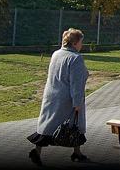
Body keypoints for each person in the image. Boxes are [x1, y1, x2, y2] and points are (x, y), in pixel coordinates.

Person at [27, 28, 90, 166]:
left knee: (47, 125)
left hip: (51, 95)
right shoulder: (76, 58)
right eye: (81, 42)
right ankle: (76, 153)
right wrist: (77, 102)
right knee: (74, 126)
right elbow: (76, 83)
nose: (81, 45)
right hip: (66, 99)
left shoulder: (56, 54)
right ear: (74, 43)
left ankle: (37, 151)